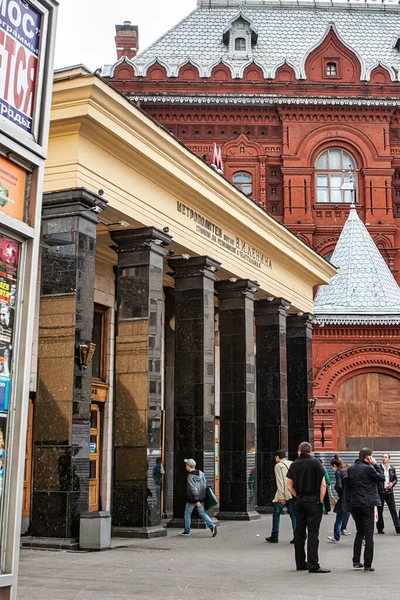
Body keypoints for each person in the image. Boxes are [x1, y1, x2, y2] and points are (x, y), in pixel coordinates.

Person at [287, 441, 330, 573]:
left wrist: (297, 496)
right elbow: (323, 485)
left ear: (299, 451)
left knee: (299, 533)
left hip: (299, 501)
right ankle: (313, 564)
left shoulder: (293, 464)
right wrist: (320, 500)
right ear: (310, 451)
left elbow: (289, 486)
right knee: (313, 533)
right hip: (313, 501)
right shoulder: (316, 463)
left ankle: (300, 563)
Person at [347, 447, 385, 572]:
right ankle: (367, 563)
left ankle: (356, 561)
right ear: (368, 457)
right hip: (368, 504)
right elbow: (381, 477)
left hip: (355, 504)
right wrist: (375, 465)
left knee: (359, 532)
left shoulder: (351, 468)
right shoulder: (369, 468)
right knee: (369, 534)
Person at [180, 458, 217, 537]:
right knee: (202, 513)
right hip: (202, 497)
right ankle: (212, 525)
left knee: (187, 513)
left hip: (193, 499)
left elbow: (193, 489)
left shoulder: (190, 476)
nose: (185, 466)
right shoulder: (201, 473)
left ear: (189, 466)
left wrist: (196, 500)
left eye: (186, 465)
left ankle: (187, 531)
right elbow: (205, 484)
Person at [266, 449, 296, 544]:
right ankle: (297, 534)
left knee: (276, 513)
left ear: (277, 457)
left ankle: (275, 535)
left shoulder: (278, 466)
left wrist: (281, 497)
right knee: (293, 515)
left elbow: (280, 482)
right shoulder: (292, 463)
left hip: (283, 493)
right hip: (292, 493)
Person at [327, 455, 351, 543]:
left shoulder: (338, 472)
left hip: (343, 497)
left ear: (334, 465)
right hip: (351, 496)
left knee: (339, 518)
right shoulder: (346, 470)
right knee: (357, 518)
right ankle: (364, 538)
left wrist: (339, 493)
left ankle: (336, 537)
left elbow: (339, 485)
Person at [376, 452, 400, 534]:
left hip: (389, 492)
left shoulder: (392, 468)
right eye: (382, 457)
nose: (383, 458)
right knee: (380, 510)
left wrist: (392, 484)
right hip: (380, 492)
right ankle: (380, 528)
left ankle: (398, 528)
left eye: (385, 457)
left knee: (393, 510)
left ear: (389, 459)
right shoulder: (378, 468)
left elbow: (395, 479)